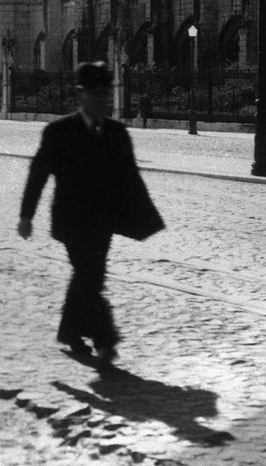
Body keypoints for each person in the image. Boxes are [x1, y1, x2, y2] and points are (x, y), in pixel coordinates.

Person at [18, 61, 164, 366]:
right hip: (71, 222)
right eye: (95, 93)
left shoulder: (117, 132)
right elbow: (38, 174)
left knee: (88, 276)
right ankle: (105, 339)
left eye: (106, 93)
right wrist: (27, 216)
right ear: (81, 94)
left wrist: (145, 219)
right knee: (90, 276)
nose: (102, 99)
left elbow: (131, 177)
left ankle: (69, 331)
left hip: (103, 222)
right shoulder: (59, 131)